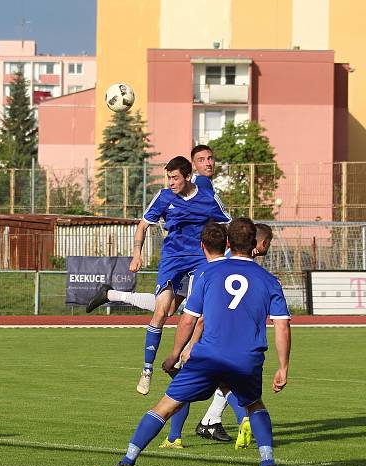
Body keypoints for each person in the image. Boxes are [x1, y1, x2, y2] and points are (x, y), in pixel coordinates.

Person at [108, 218, 291, 466]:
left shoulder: (208, 272)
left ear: (228, 243)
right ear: (254, 245)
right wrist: (283, 367)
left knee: (166, 405)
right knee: (254, 405)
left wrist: (174, 354)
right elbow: (282, 327)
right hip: (246, 359)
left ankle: (127, 460)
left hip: (208, 356)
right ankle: (268, 463)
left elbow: (189, 319)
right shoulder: (270, 281)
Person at [105, 154, 231, 396]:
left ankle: (186, 356)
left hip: (199, 262)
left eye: (175, 178)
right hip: (172, 262)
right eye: (168, 178)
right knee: (162, 311)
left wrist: (228, 255)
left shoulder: (208, 198)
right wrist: (136, 254)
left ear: (187, 176)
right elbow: (143, 225)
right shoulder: (164, 197)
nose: (171, 182)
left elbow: (228, 224)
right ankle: (147, 370)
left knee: (194, 314)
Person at [161, 222, 275, 449]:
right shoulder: (238, 267)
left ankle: (174, 437)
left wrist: (189, 346)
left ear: (202, 245)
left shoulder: (206, 271)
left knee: (183, 386)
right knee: (225, 385)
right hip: (235, 342)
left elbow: (198, 317)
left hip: (207, 340)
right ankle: (240, 417)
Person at [86, 145, 219, 316]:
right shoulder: (200, 184)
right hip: (190, 256)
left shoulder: (203, 186)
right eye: (201, 160)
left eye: (210, 158)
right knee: (197, 311)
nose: (208, 163)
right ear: (192, 166)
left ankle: (110, 294)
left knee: (170, 309)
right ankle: (191, 344)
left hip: (195, 255)